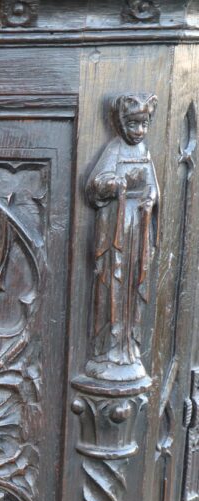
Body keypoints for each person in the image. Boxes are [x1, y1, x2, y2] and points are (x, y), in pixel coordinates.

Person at [86, 93, 159, 382]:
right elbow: (95, 185)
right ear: (120, 122)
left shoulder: (145, 152)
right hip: (115, 234)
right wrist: (115, 184)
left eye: (144, 124)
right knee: (111, 287)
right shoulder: (114, 150)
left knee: (132, 287)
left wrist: (151, 199)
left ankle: (129, 348)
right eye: (133, 124)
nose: (139, 131)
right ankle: (106, 350)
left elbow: (153, 187)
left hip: (137, 231)